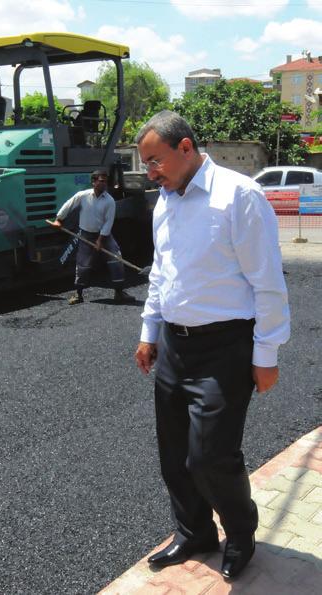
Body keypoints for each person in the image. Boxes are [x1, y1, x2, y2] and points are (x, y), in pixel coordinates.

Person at [134, 111, 290, 579]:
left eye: (155, 161)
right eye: (146, 164)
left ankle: (240, 533)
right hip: (174, 347)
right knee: (174, 455)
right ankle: (194, 533)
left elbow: (268, 282)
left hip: (226, 348)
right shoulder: (165, 202)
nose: (151, 173)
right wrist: (149, 332)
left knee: (210, 457)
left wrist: (267, 356)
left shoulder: (238, 196)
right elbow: (162, 274)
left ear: (186, 149)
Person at [52, 169, 135, 305]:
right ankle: (78, 294)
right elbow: (69, 204)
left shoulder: (109, 201)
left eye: (105, 182)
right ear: (93, 182)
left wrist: (100, 240)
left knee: (116, 259)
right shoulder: (83, 196)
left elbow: (108, 223)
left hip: (105, 236)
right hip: (86, 235)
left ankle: (119, 293)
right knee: (83, 265)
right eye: (101, 181)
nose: (104, 184)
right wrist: (59, 219)